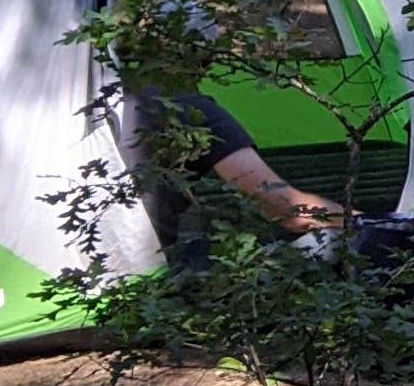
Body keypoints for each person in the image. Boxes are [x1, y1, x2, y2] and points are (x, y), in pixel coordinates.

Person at [109, 85, 344, 267]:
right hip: (143, 271)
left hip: (87, 275)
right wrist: (366, 221)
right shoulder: (188, 108)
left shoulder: (103, 98)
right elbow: (285, 208)